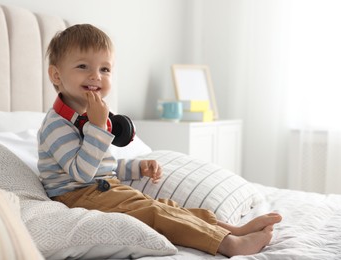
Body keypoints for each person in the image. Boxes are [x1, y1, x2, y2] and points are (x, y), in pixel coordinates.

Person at [37, 23, 282, 257]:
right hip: (77, 196)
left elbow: (103, 165)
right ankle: (228, 245)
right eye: (83, 66)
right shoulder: (57, 125)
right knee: (154, 212)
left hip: (103, 187)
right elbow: (83, 173)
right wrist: (99, 126)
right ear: (56, 75)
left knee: (166, 206)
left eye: (105, 69)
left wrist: (136, 167)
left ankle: (230, 229)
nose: (96, 76)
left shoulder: (91, 116)